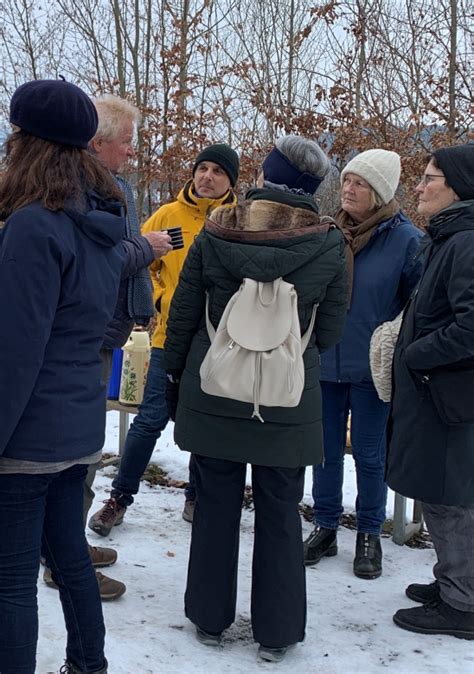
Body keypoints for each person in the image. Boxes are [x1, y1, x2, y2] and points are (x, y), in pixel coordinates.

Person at [164, 135, 347, 662]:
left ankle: (209, 618)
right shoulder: (329, 241)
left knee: (216, 503)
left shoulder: (219, 228)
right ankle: (278, 630)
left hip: (216, 385)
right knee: (281, 512)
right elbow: (331, 329)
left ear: (264, 174)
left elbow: (182, 313)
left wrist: (176, 374)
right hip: (288, 397)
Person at [0, 79, 125, 674]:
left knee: (10, 579)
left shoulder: (32, 226)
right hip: (76, 427)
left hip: (26, 436)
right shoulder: (101, 221)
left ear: (28, 144)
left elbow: (14, 354)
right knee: (69, 556)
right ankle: (87, 666)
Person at [42, 94, 172, 601]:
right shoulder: (78, 193)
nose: (132, 154)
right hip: (84, 339)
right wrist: (147, 248)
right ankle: (63, 560)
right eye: (126, 144)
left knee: (84, 453)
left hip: (100, 335)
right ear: (97, 144)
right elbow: (93, 263)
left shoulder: (97, 186)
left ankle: (64, 544)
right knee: (77, 454)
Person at [88, 143, 240, 534]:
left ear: (230, 181)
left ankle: (195, 494)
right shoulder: (168, 216)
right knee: (149, 420)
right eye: (202, 168)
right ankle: (119, 498)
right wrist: (158, 296)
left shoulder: (236, 220)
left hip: (218, 342)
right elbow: (142, 263)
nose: (207, 176)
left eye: (217, 172)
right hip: (168, 336)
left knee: (203, 422)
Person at [304, 149, 423, 579]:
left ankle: (369, 533)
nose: (348, 189)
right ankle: (325, 525)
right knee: (324, 452)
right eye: (347, 180)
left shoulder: (407, 240)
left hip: (373, 366)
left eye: (359, 183)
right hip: (326, 360)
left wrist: (394, 342)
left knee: (371, 455)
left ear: (381, 191)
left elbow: (417, 306)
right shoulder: (329, 232)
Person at [387, 144, 474, 640]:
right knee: (446, 495)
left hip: (449, 397)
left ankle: (462, 603)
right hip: (440, 394)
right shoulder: (449, 237)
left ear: (457, 185)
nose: (418, 187)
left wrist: (415, 353)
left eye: (429, 178)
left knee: (451, 498)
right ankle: (453, 583)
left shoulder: (465, 242)